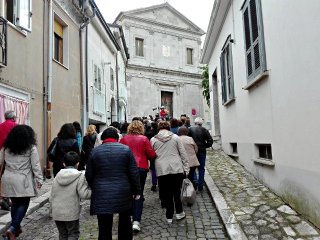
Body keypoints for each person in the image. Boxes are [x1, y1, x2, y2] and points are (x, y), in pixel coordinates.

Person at [86, 127, 141, 240]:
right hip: (123, 191)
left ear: (102, 139)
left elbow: (89, 174)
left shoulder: (94, 152)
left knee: (104, 226)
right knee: (125, 222)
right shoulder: (126, 150)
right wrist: (136, 190)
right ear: (117, 138)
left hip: (101, 192)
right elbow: (133, 172)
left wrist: (95, 186)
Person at [1, 125, 43, 239]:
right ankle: (13, 227)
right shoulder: (31, 147)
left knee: (15, 203)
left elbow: (1, 162)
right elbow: (35, 165)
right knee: (24, 203)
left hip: (8, 178)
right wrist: (39, 179)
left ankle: (14, 229)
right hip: (23, 179)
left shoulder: (6, 147)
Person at [120, 120, 156, 233]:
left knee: (128, 192)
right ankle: (136, 221)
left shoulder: (124, 139)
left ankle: (129, 214)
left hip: (127, 169)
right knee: (138, 193)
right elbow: (151, 154)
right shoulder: (144, 139)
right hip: (141, 168)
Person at [151, 121, 189, 224]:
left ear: (159, 128)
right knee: (176, 191)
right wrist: (186, 168)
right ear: (168, 127)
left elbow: (151, 155)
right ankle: (179, 212)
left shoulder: (153, 139)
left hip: (161, 168)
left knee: (166, 192)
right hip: (176, 167)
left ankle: (169, 216)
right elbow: (183, 154)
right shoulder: (176, 137)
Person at [50, 151, 91, 240]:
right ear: (78, 163)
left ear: (64, 163)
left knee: (62, 234)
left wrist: (51, 210)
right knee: (73, 234)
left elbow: (52, 195)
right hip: (71, 212)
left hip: (57, 212)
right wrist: (95, 192)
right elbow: (84, 194)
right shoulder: (80, 176)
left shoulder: (57, 176)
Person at [188, 117, 213, 191]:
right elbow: (210, 141)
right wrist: (205, 146)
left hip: (193, 151)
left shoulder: (190, 129)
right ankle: (200, 185)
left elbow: (188, 139)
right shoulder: (204, 130)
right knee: (201, 168)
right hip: (202, 151)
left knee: (192, 167)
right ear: (201, 123)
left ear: (195, 123)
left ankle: (195, 182)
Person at [0, 110, 17, 211]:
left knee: (1, 176)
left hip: (0, 154)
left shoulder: (1, 125)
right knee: (10, 177)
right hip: (11, 155)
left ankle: (4, 198)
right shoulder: (15, 126)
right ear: (13, 117)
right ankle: (6, 198)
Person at [145, 121, 159, 192]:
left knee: (153, 169)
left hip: (152, 152)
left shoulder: (147, 133)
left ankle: (154, 183)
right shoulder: (158, 133)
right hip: (159, 152)